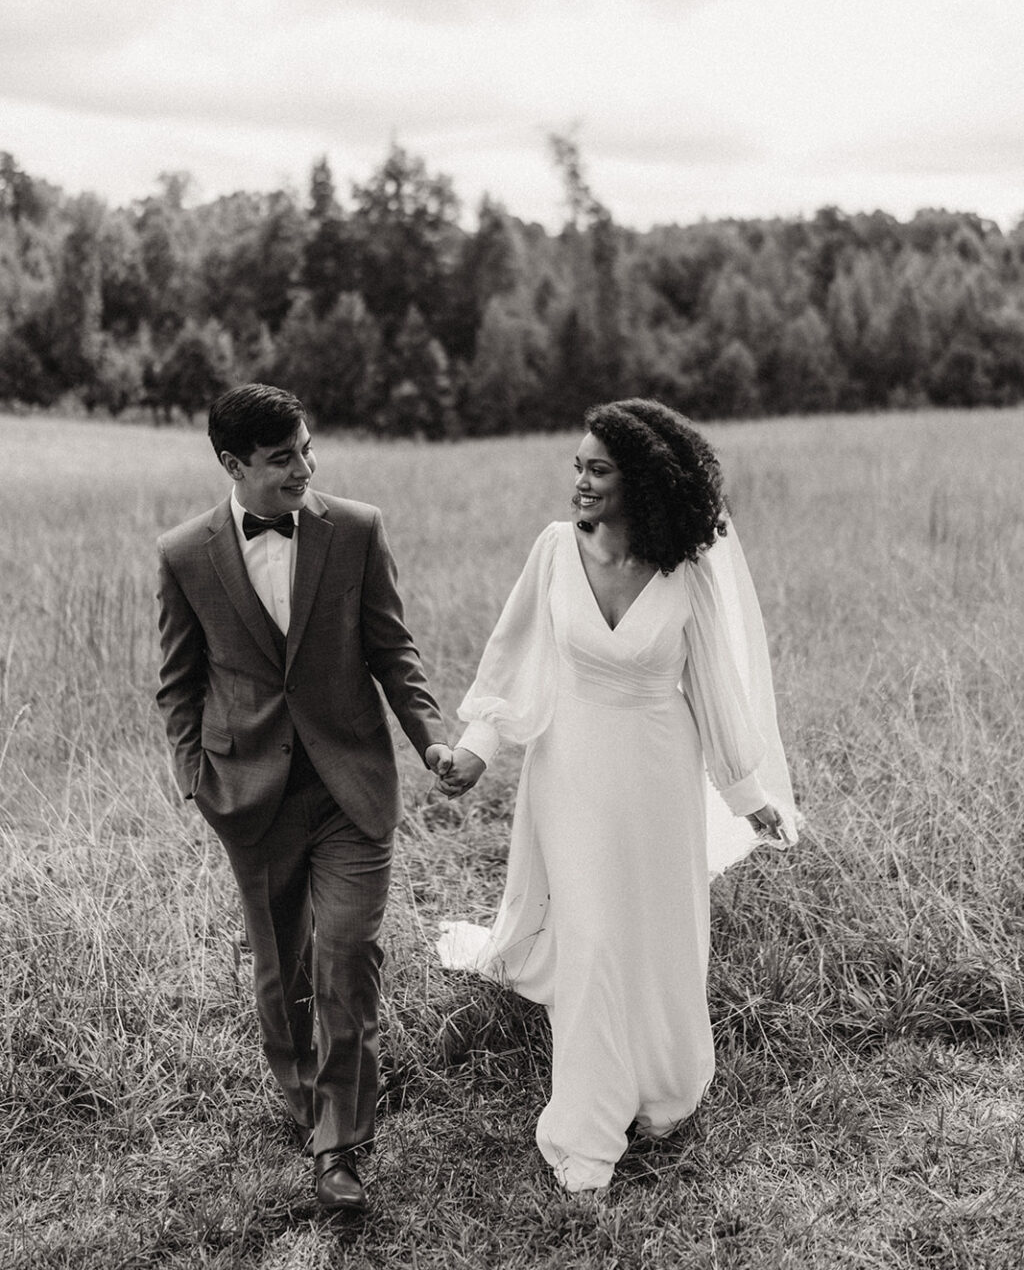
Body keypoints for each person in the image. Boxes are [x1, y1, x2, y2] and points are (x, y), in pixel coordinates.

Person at [436, 397, 798, 1193]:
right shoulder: (554, 551)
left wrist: (748, 793)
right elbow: (510, 658)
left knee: (661, 935)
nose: (580, 482)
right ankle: (588, 1129)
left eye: (598, 470)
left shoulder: (686, 567)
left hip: (659, 772)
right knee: (594, 940)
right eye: (578, 466)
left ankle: (665, 1086)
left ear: (642, 481)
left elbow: (715, 686)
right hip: (570, 769)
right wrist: (474, 751)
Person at [156, 384, 451, 1213]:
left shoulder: (356, 529)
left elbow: (395, 650)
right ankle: (306, 1097)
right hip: (250, 795)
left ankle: (340, 1147)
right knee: (282, 968)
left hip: (351, 786)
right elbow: (178, 686)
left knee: (345, 956)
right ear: (233, 464)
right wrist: (195, 778)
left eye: (307, 449)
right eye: (284, 457)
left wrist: (428, 736)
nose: (305, 468)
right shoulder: (183, 553)